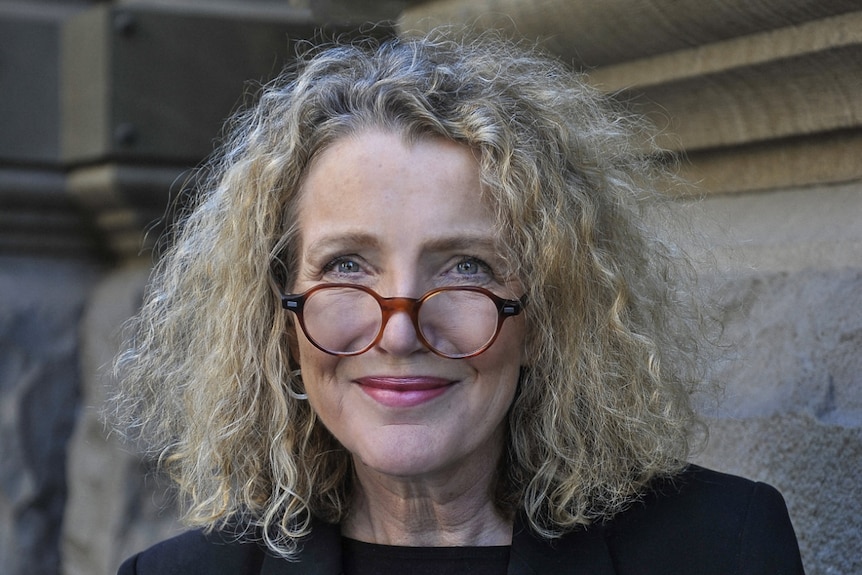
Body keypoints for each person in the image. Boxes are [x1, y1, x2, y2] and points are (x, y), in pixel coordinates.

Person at [113, 30, 804, 574]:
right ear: (280, 318)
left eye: (466, 266)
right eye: (347, 265)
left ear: (545, 313)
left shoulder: (723, 548)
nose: (401, 328)